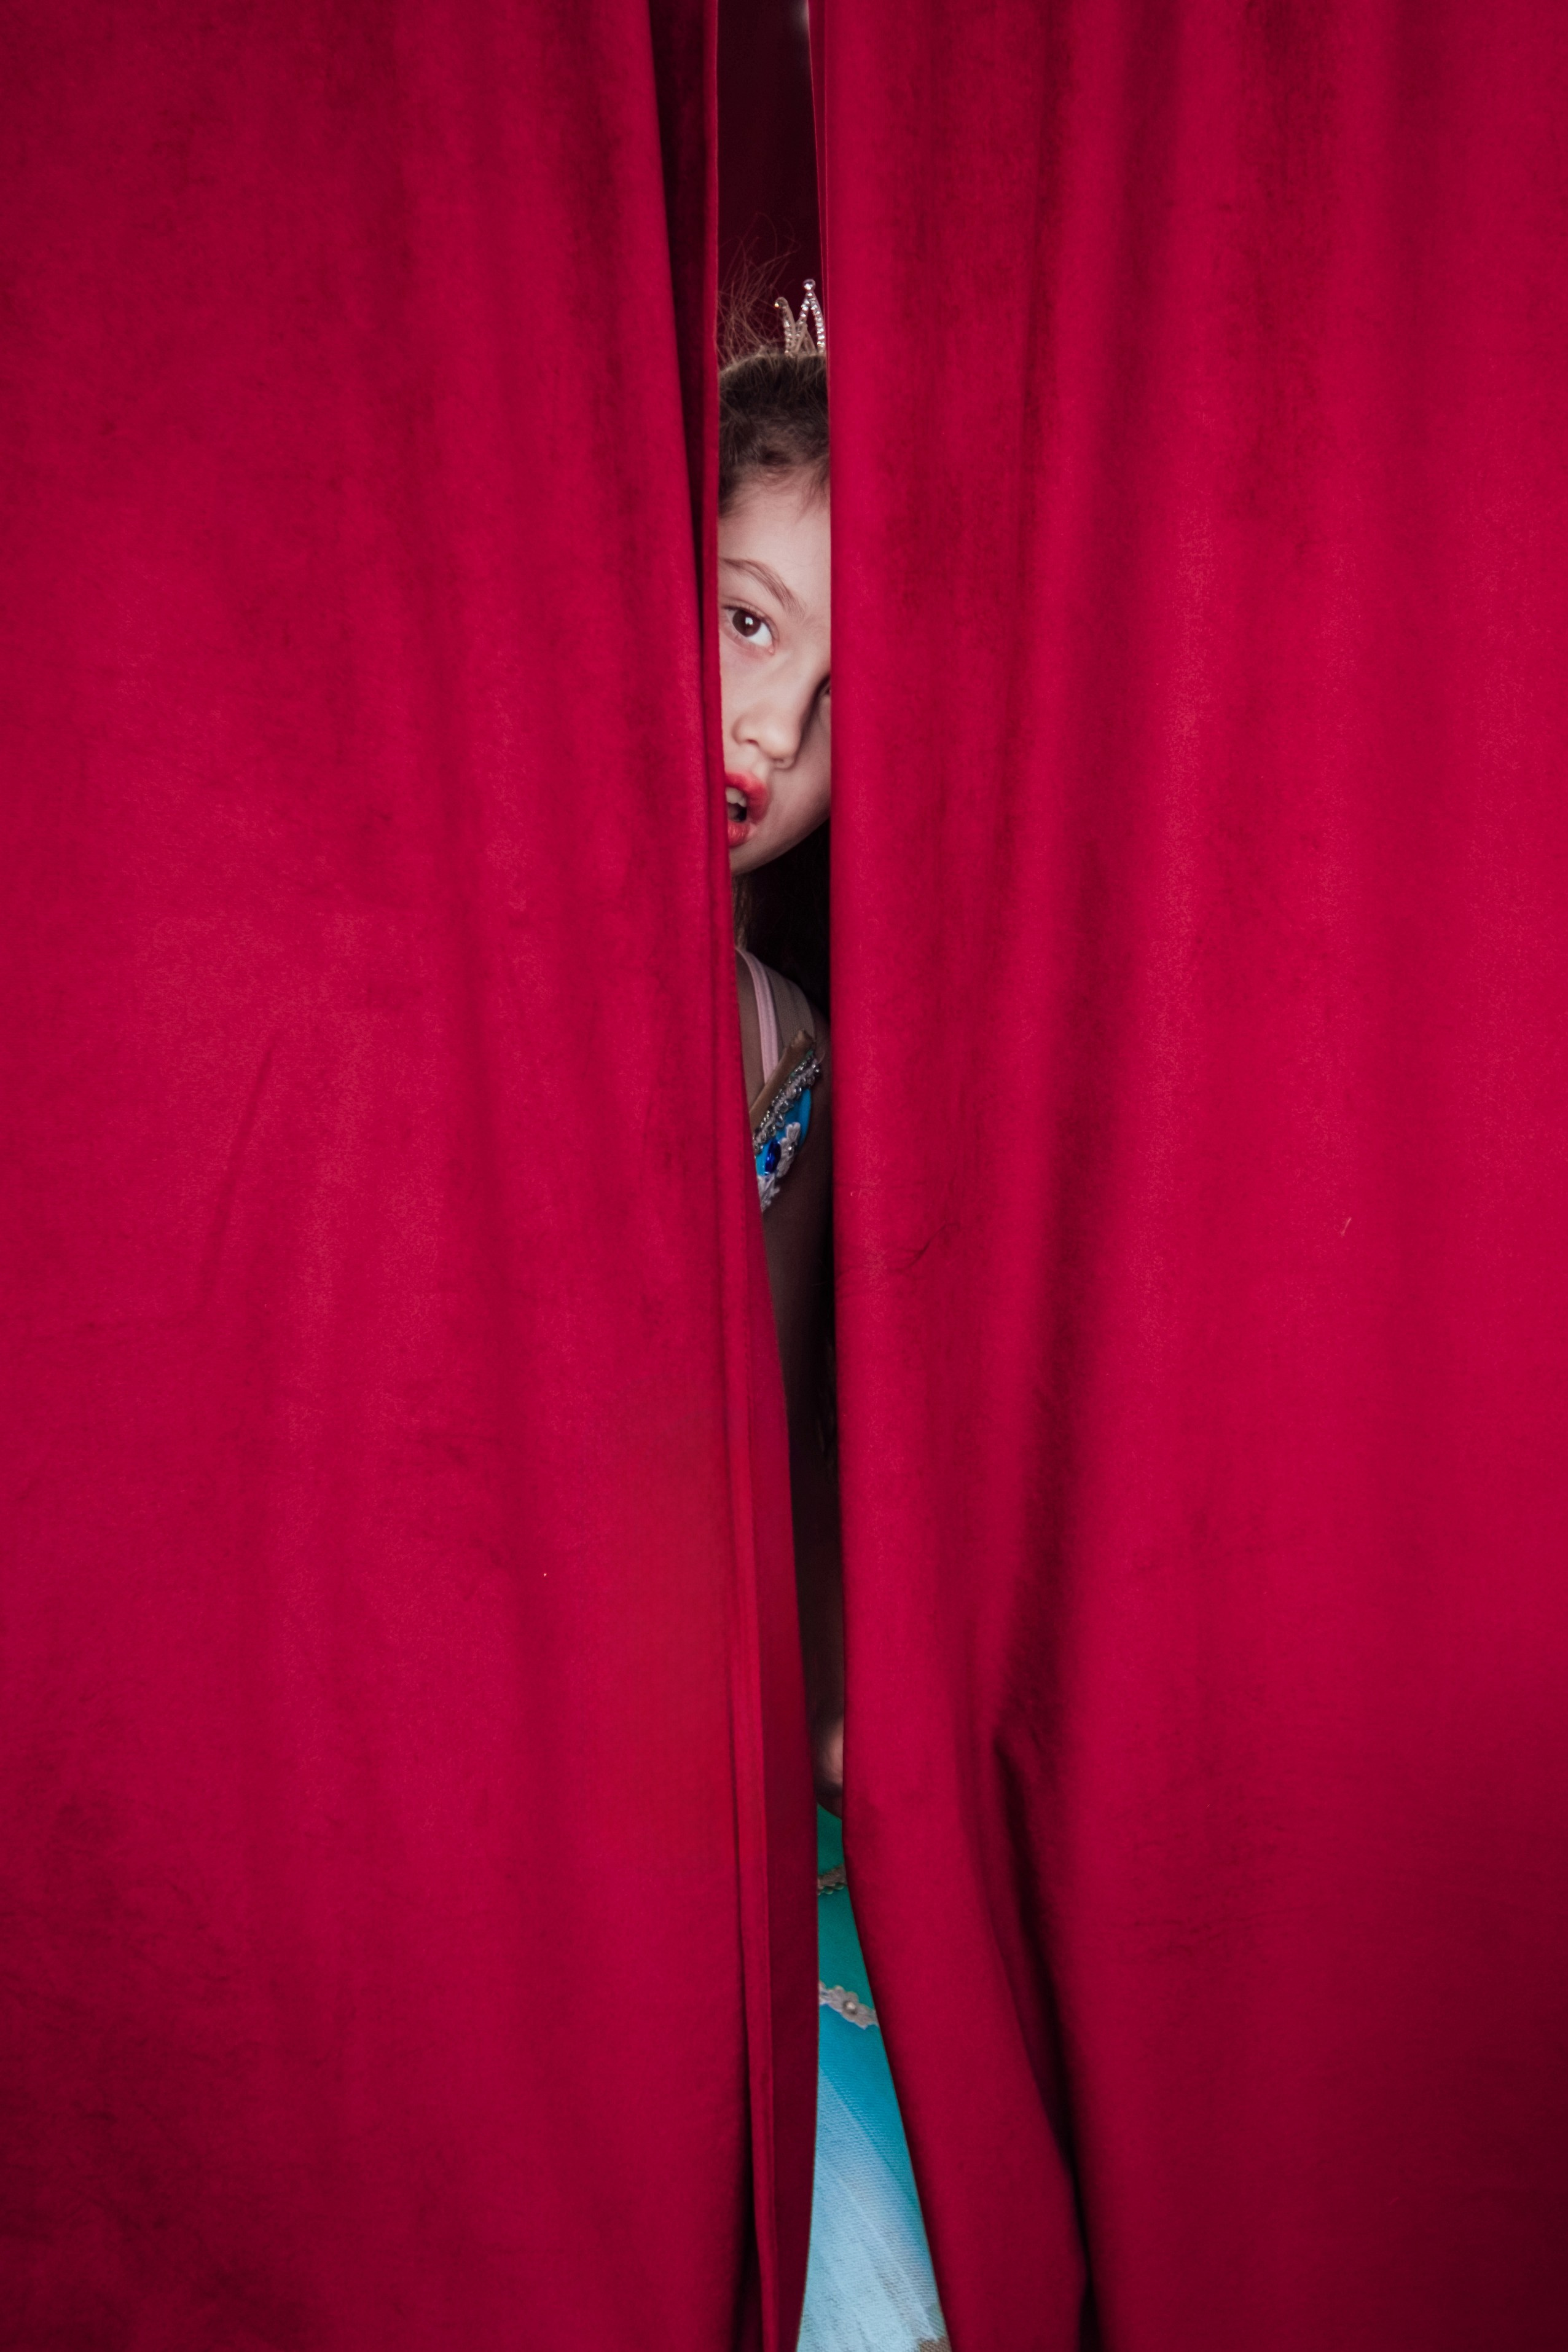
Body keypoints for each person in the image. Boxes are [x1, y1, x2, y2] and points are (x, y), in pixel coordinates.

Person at [719, 289, 951, 2352]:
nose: (765, 743)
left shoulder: (793, 1047)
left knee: (873, 2271)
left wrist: (832, 1681)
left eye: (836, 698)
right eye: (746, 620)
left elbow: (800, 1407)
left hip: (722, 1745)